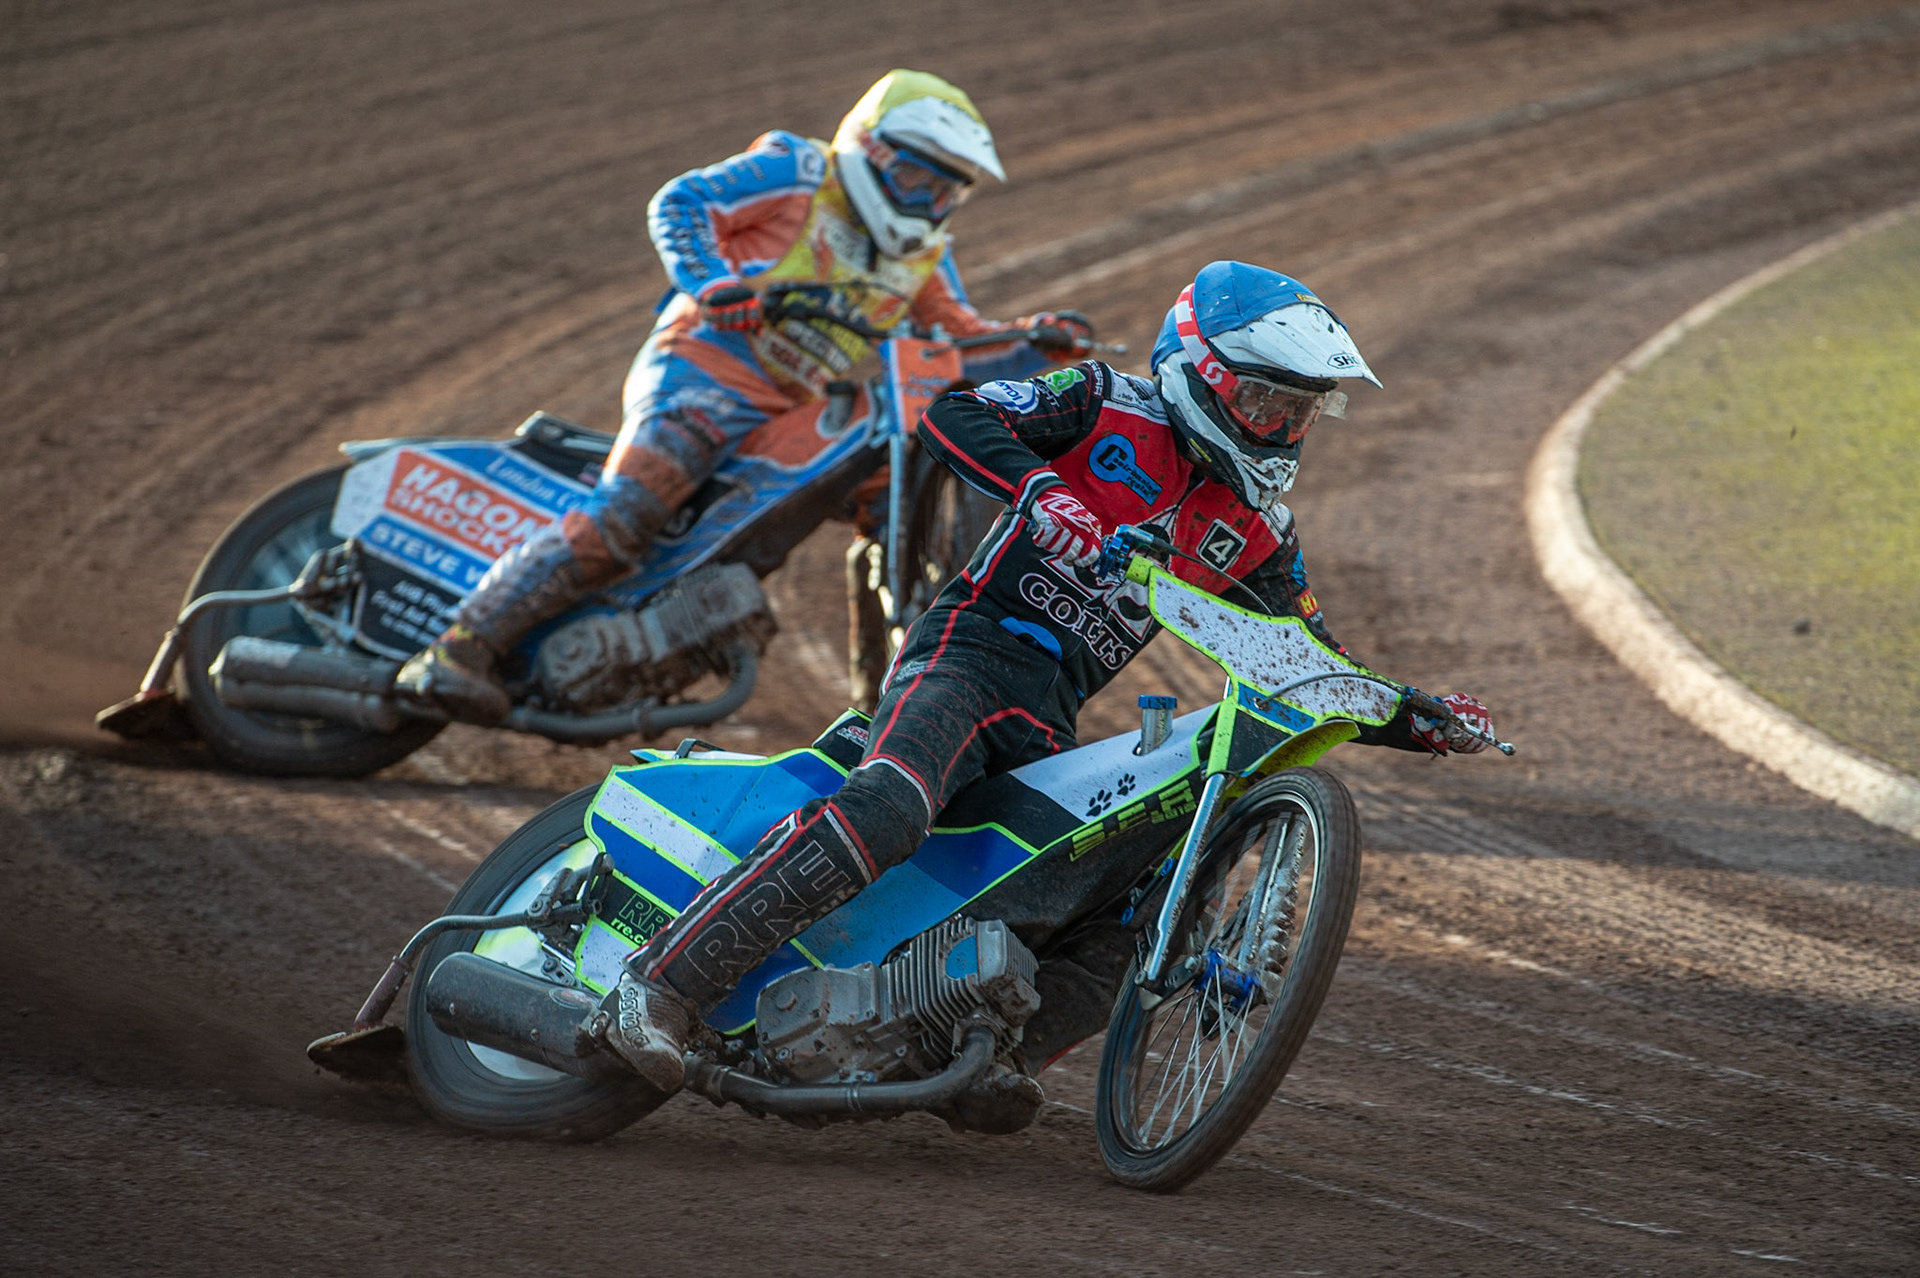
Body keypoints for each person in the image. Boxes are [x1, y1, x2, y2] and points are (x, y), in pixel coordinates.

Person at [600, 260, 1498, 1130]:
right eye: (1266, 402)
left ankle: (985, 1056)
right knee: (891, 807)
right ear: (1202, 375)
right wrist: (1041, 492)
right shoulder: (1106, 401)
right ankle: (659, 987)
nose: (1282, 427)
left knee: (1128, 910)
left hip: (1046, 719)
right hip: (967, 655)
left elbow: (1307, 661)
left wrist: (1422, 717)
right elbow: (954, 414)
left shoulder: (1260, 532)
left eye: (1299, 411)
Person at [396, 70, 1091, 721]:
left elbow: (959, 339)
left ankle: (880, 711)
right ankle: (460, 646)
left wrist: (1039, 341)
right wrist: (713, 282)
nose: (926, 203)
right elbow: (684, 201)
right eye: (915, 177)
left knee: (886, 499)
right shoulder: (799, 171)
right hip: (703, 370)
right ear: (870, 149)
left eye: (945, 192)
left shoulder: (925, 256)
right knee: (629, 512)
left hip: (789, 408)